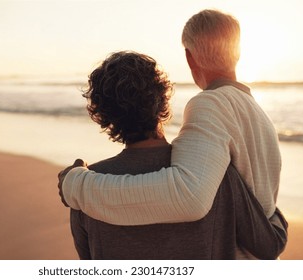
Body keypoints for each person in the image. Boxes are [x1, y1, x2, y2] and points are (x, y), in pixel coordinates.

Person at [59, 10, 287, 259]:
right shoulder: (263, 120)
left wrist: (76, 185)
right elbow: (261, 216)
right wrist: (277, 224)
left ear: (189, 58)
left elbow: (188, 197)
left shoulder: (211, 106)